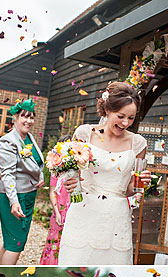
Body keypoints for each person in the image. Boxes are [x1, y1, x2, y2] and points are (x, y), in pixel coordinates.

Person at [58, 82, 150, 265]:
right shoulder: (84, 134)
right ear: (108, 110)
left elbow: (129, 189)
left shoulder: (138, 143)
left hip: (116, 216)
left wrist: (141, 184)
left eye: (131, 118)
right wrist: (69, 183)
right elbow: (72, 171)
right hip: (83, 211)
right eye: (121, 116)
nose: (125, 123)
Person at [0, 98, 44, 265]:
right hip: (13, 197)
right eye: (24, 116)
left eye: (32, 117)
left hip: (28, 195)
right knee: (16, 243)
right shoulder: (8, 141)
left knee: (11, 241)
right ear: (15, 117)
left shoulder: (29, 138)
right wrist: (13, 202)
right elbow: (7, 173)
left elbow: (36, 164)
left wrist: (40, 177)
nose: (29, 121)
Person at [39, 170, 70, 264]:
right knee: (55, 243)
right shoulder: (56, 164)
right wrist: (57, 213)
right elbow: (52, 191)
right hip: (60, 210)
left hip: (76, 210)